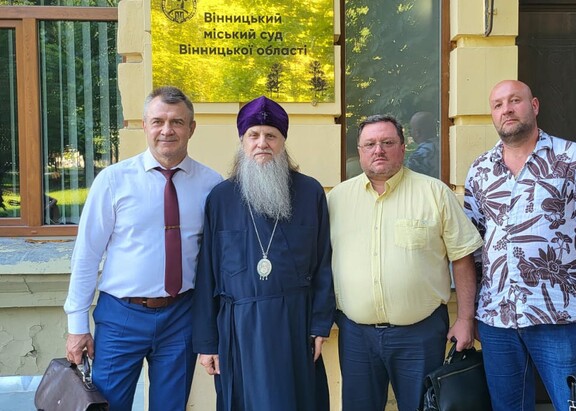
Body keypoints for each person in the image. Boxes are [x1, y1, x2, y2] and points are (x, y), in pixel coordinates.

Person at [463, 79, 576, 410]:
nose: (506, 109)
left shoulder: (573, 158)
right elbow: (473, 243)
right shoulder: (480, 170)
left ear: (534, 106)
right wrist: (472, 311)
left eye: (515, 101)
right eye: (498, 104)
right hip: (497, 319)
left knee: (575, 406)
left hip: (559, 317)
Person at [63, 86, 223, 411]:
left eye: (177, 122)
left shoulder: (212, 185)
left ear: (191, 128)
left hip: (181, 316)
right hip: (121, 316)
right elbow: (87, 255)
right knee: (108, 405)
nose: (167, 130)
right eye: (158, 121)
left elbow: (217, 258)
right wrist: (77, 326)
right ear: (145, 125)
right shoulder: (113, 181)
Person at [327, 114, 483, 411]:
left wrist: (465, 319)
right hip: (356, 335)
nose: (379, 150)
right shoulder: (337, 199)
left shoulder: (434, 193)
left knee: (421, 406)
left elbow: (462, 257)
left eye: (388, 142)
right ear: (359, 151)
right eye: (370, 144)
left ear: (402, 147)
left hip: (420, 334)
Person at [192, 96, 335, 411]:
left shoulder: (310, 192)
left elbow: (324, 262)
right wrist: (207, 342)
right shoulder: (221, 198)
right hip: (238, 329)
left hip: (295, 327)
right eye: (253, 136)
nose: (262, 143)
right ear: (242, 142)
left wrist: (319, 325)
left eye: (271, 135)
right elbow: (207, 274)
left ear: (283, 142)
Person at [405, 111, 440, 177]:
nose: (410, 132)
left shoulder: (418, 156)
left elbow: (408, 181)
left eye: (411, 129)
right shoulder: (446, 145)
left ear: (417, 132)